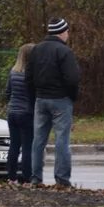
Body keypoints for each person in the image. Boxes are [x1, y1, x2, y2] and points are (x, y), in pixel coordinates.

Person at [25, 17, 81, 187]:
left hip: (41, 99)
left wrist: (34, 97)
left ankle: (35, 178)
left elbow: (28, 78)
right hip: (60, 100)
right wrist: (72, 97)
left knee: (38, 141)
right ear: (62, 32)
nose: (68, 34)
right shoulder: (64, 52)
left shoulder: (36, 50)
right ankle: (62, 179)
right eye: (67, 31)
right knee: (61, 140)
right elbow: (73, 78)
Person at [3, 43, 36, 184]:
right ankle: (27, 177)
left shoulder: (13, 71)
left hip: (12, 112)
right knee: (27, 146)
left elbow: (7, 92)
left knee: (14, 145)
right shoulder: (32, 74)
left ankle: (11, 177)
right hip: (26, 113)